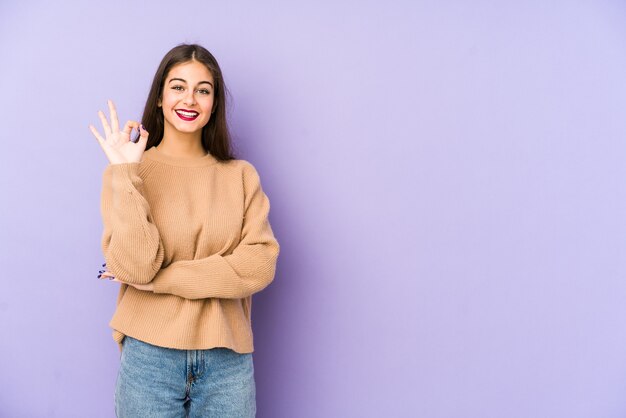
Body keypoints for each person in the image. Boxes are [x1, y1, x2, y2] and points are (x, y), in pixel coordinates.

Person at [88, 43, 280, 417]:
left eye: (203, 90)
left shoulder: (240, 176)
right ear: (159, 97)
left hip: (227, 360)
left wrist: (162, 281)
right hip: (150, 358)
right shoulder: (130, 174)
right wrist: (126, 173)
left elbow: (259, 264)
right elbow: (137, 268)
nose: (189, 98)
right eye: (177, 86)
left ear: (213, 104)